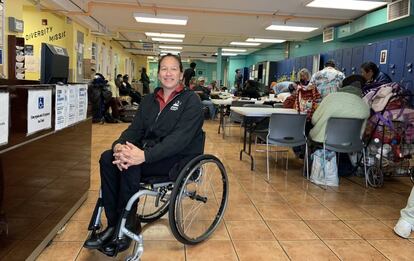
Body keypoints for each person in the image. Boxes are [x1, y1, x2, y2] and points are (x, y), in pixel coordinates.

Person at [83, 54, 204, 256]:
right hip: (149, 152)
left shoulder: (191, 101)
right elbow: (134, 131)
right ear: (158, 73)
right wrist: (118, 147)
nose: (168, 73)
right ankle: (114, 225)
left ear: (181, 74)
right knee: (107, 158)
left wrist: (143, 156)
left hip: (178, 157)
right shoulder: (149, 100)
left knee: (131, 163)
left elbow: (179, 139)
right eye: (164, 69)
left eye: (173, 69)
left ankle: (127, 227)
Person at [309, 74, 370, 143]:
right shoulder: (365, 106)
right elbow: (361, 132)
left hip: (324, 140)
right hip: (351, 144)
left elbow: (314, 120)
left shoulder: (331, 97)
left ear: (343, 86)